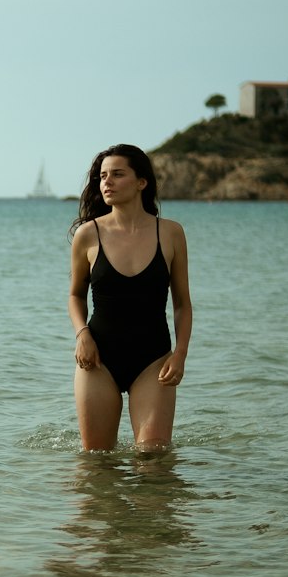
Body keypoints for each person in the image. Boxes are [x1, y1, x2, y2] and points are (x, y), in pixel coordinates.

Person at [68, 144, 192, 452]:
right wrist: (82, 334)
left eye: (117, 174)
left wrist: (180, 354)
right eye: (102, 176)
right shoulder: (88, 234)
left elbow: (182, 303)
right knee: (97, 462)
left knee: (153, 458)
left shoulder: (171, 233)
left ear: (141, 182)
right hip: (98, 359)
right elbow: (75, 295)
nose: (106, 182)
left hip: (153, 359)